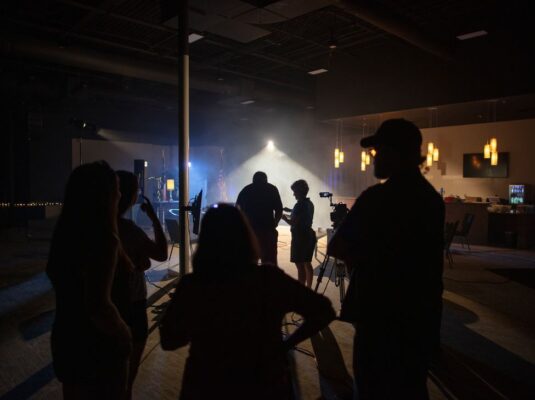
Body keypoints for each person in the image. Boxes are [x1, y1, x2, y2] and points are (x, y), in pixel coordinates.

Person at [159, 204, 335, 400]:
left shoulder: (192, 285)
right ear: (245, 237)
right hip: (265, 382)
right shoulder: (269, 278)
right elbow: (324, 310)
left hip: (207, 383)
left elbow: (169, 341)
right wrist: (286, 344)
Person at [328, 119, 445, 400]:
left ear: (396, 153)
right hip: (419, 317)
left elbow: (337, 246)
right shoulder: (431, 200)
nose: (373, 159)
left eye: (378, 152)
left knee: (373, 388)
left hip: (379, 316)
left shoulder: (377, 198)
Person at [46, 161, 132, 399]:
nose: (120, 194)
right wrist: (124, 333)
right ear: (103, 196)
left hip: (66, 337)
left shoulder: (64, 236)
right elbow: (98, 304)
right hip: (98, 345)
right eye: (116, 188)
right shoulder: (104, 240)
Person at [116, 170, 168, 400]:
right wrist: (155, 218)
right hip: (131, 302)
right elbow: (161, 254)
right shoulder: (130, 231)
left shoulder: (91, 227)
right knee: (129, 362)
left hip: (104, 301)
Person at [236, 171, 283, 264]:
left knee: (250, 261)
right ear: (266, 180)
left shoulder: (247, 190)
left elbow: (237, 209)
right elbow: (279, 209)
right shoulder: (271, 189)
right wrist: (275, 223)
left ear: (253, 180)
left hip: (250, 231)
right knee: (269, 262)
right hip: (267, 230)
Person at [282, 179, 316, 288]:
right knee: (307, 263)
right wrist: (290, 211)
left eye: (295, 192)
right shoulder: (309, 203)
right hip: (309, 235)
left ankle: (301, 291)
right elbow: (301, 215)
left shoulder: (299, 205)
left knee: (300, 265)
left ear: (300, 192)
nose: (293, 194)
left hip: (300, 237)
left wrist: (282, 217)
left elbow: (293, 222)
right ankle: (309, 289)